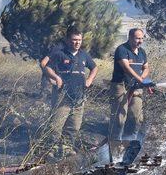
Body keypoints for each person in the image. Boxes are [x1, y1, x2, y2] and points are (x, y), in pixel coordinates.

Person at [44, 26, 98, 156]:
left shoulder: (84, 55)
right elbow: (47, 68)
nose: (77, 42)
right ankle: (52, 149)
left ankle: (67, 148)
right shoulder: (59, 53)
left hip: (79, 96)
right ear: (68, 40)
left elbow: (94, 67)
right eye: (74, 40)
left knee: (74, 126)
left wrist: (89, 80)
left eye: (79, 40)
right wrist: (56, 78)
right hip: (62, 95)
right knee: (56, 125)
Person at [109, 28, 150, 140]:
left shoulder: (142, 52)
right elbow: (126, 68)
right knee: (120, 116)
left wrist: (142, 78)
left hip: (136, 86)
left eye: (142, 38)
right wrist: (140, 79)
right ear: (130, 37)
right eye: (137, 38)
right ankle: (115, 139)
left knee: (136, 115)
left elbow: (146, 68)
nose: (140, 41)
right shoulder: (122, 49)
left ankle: (131, 138)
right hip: (120, 85)